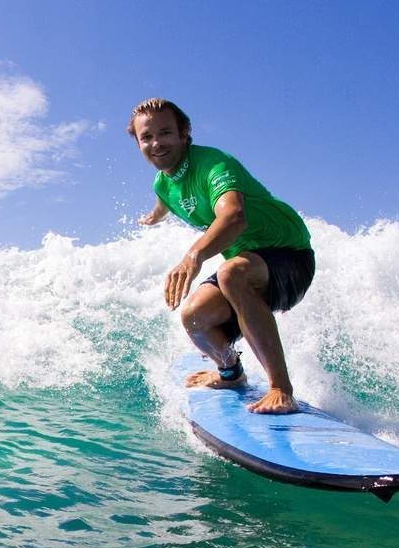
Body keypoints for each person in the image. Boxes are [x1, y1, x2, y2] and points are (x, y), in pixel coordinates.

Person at [128, 98, 314, 414]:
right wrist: (154, 215)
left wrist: (194, 256)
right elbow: (165, 199)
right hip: (250, 263)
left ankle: (281, 388)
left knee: (231, 273)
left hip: (290, 255)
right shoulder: (163, 183)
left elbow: (234, 217)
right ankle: (231, 373)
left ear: (184, 133)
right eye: (147, 137)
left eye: (166, 133)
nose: (157, 143)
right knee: (194, 317)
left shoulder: (214, 164)